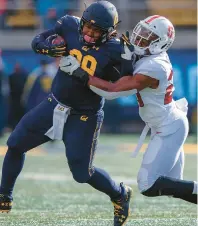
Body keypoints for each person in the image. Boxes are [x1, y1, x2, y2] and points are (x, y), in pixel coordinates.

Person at [0, 1, 133, 225]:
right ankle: (4, 194)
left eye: (96, 30)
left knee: (82, 174)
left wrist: (129, 59)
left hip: (84, 114)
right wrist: (47, 47)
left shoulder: (116, 49)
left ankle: (119, 194)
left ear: (109, 32)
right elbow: (38, 40)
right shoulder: (69, 25)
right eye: (87, 28)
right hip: (54, 103)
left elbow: (126, 82)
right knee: (14, 144)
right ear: (81, 22)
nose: (89, 34)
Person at [60, 15, 197, 204]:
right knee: (174, 187)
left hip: (168, 127)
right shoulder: (148, 55)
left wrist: (80, 72)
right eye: (141, 31)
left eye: (148, 36)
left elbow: (113, 90)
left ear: (160, 43)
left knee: (148, 184)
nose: (140, 37)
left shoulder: (155, 66)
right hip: (165, 122)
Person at [7, 63, 28, 130]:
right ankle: (15, 127)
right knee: (15, 114)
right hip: (14, 98)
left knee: (20, 113)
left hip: (20, 98)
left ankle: (19, 126)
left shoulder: (23, 76)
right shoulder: (11, 76)